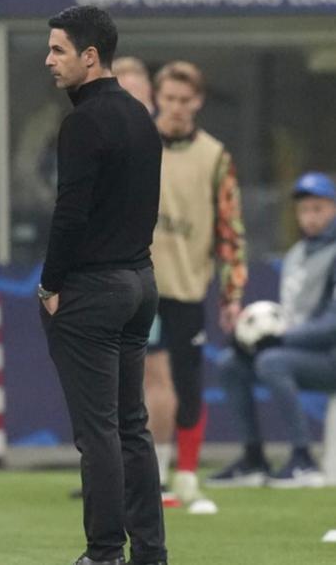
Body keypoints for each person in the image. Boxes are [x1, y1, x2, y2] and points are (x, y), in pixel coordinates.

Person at [38, 6, 167, 565]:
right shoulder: (140, 115)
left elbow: (70, 214)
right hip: (140, 282)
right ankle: (151, 553)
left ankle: (104, 553)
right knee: (132, 428)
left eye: (58, 50)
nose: (49, 60)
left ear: (90, 57)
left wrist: (50, 284)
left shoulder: (83, 123)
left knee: (99, 433)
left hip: (93, 289)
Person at [144, 61, 247, 511]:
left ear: (199, 102)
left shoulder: (215, 156)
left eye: (186, 100)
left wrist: (232, 292)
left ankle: (186, 475)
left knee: (188, 382)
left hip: (187, 285)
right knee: (145, 382)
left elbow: (230, 228)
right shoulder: (136, 141)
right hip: (138, 283)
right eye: (169, 99)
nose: (177, 108)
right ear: (156, 97)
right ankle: (152, 473)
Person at [208, 172, 336, 488]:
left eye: (318, 208)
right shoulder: (296, 254)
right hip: (300, 352)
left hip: (327, 355)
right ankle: (254, 459)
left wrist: (277, 340)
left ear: (333, 208)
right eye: (304, 209)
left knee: (272, 361)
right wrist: (249, 340)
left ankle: (303, 459)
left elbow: (332, 324)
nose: (310, 217)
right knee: (230, 363)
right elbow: (287, 316)